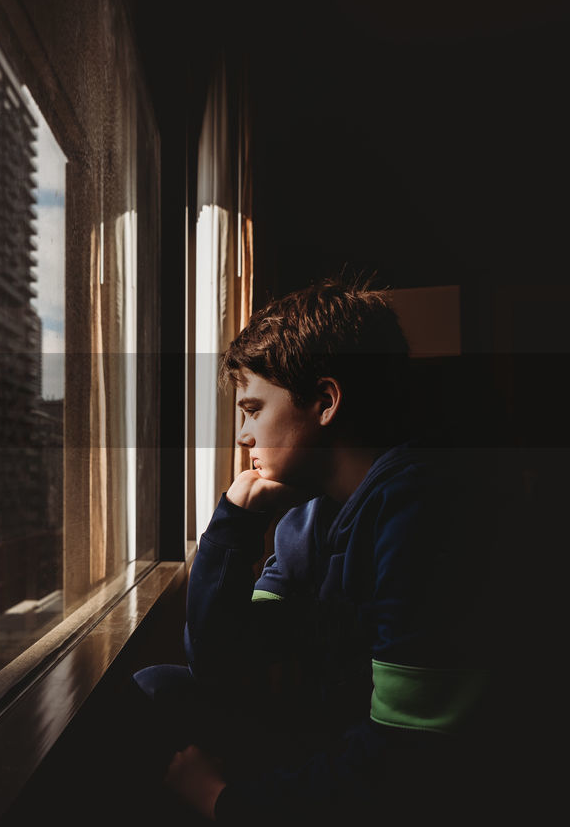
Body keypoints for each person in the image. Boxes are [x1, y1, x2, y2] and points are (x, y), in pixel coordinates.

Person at [133, 278, 501, 825]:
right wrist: (233, 522)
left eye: (253, 409)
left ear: (326, 402)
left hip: (410, 777)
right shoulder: (311, 514)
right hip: (334, 728)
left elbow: (410, 758)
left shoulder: (419, 511)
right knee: (158, 687)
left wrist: (220, 800)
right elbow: (221, 661)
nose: (242, 435)